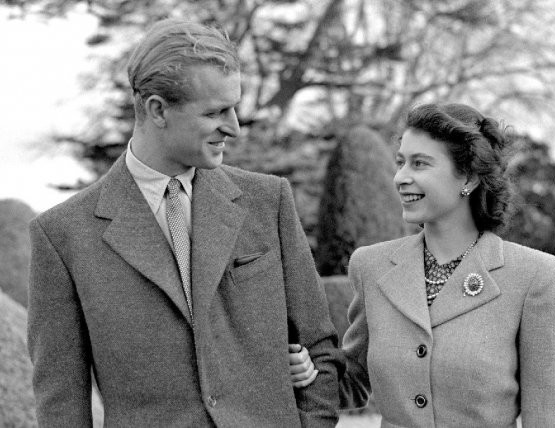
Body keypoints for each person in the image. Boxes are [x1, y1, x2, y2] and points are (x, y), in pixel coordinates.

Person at [28, 19, 342, 427]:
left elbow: (320, 348)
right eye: (214, 112)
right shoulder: (63, 235)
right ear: (157, 109)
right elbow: (61, 405)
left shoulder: (269, 201)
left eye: (234, 108)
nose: (234, 127)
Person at [290, 103, 555, 427]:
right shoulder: (371, 266)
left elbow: (550, 419)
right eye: (400, 163)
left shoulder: (538, 277)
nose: (400, 177)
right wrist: (310, 374)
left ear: (467, 176)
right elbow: (354, 381)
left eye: (420, 164)